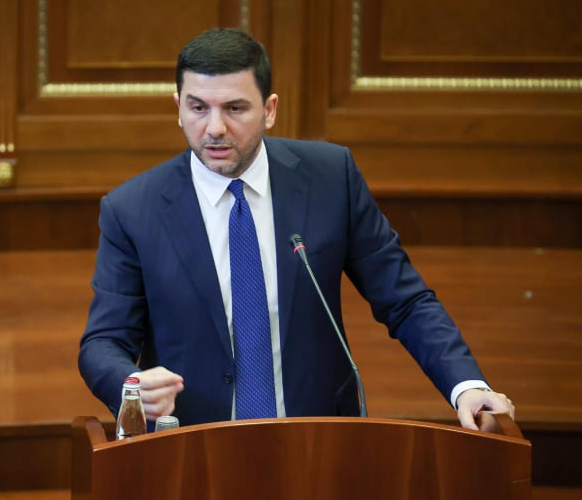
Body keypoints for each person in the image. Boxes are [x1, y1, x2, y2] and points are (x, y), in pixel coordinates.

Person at [78, 27, 514, 430]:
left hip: (318, 439)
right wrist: (131, 386)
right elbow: (103, 342)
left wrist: (466, 385)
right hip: (193, 443)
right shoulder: (133, 209)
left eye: (234, 108)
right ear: (177, 109)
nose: (214, 128)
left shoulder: (330, 178)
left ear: (269, 110)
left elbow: (404, 299)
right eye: (198, 108)